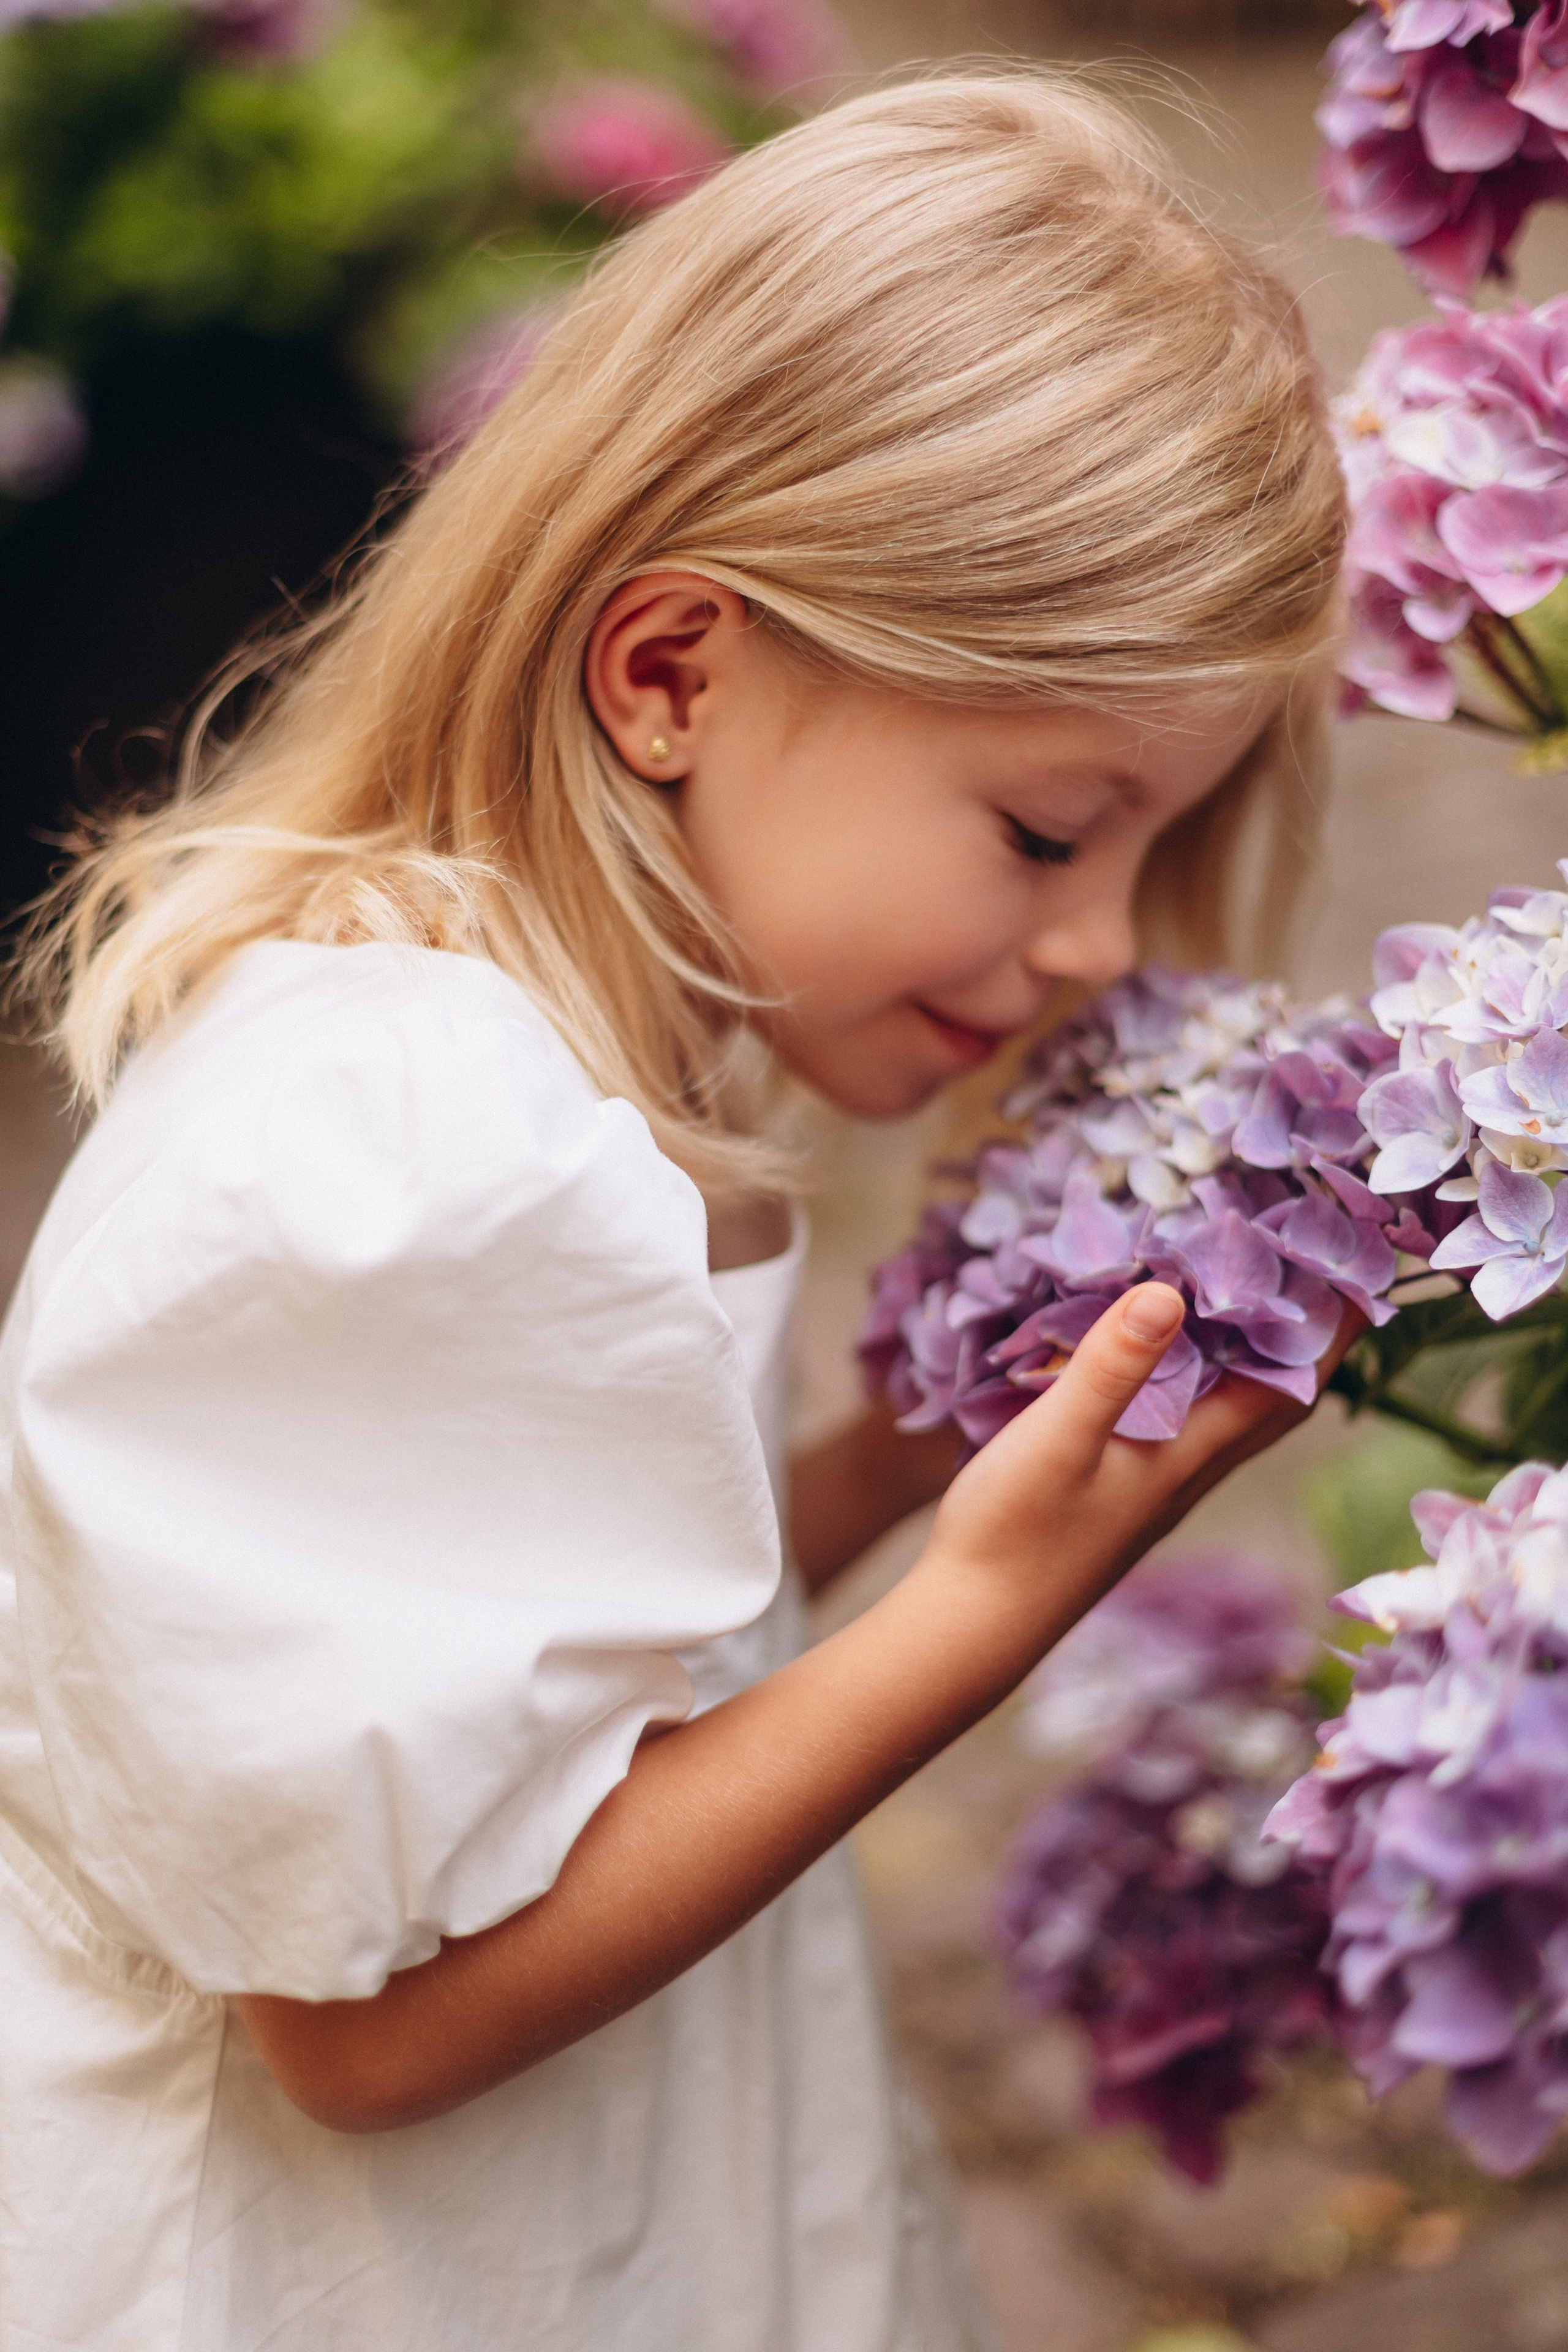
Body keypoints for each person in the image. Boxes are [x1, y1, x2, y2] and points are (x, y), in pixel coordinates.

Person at [0, 70, 1348, 2352]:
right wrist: (989, 1604)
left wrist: (890, 1479)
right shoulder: (396, 1150)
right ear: (669, 675)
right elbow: (363, 2023)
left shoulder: (606, 1063)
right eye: (1046, 832)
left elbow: (577, 1687)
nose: (1107, 946)